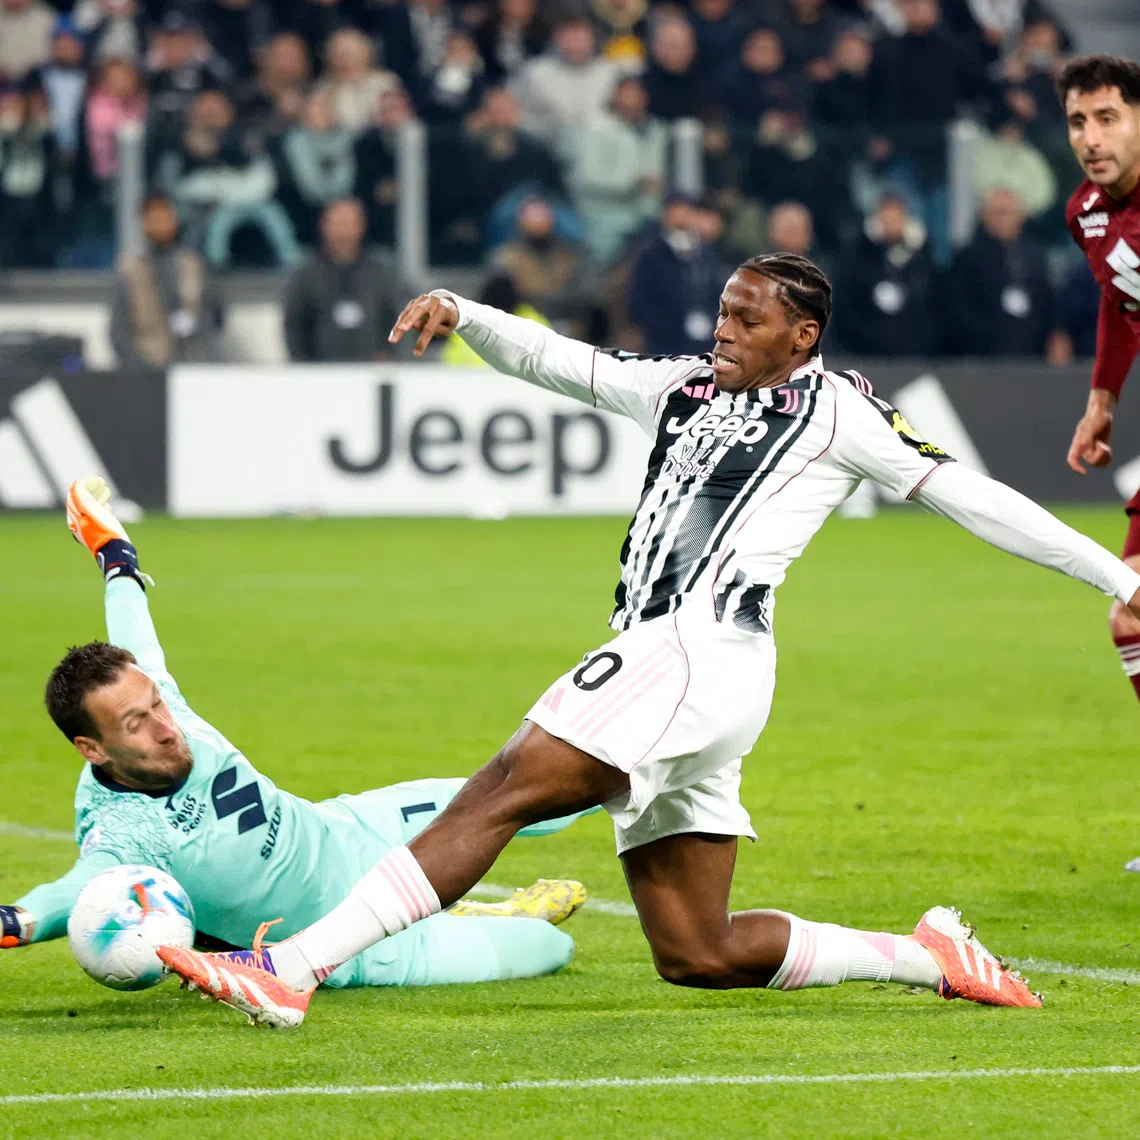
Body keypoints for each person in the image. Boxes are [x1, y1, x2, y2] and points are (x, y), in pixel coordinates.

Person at [165, 250, 1140, 1028]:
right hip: (695, 674)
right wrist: (465, 312)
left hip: (692, 651)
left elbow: (971, 497)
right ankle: (932, 956)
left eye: (747, 317)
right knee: (696, 950)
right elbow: (565, 364)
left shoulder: (838, 408)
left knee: (501, 790)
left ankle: (291, 969)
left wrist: (1120, 576)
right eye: (722, 309)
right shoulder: (680, 390)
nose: (722, 328)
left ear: (801, 336)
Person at [0, 477, 590, 994]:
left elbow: (130, 611)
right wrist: (16, 921)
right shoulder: (123, 832)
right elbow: (67, 897)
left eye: (156, 703)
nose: (164, 726)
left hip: (348, 828)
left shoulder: (155, 698)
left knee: (544, 790)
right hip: (350, 946)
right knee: (547, 948)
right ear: (92, 749)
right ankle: (476, 915)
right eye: (136, 723)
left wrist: (112, 551)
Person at [1058, 58, 1140, 734]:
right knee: (1130, 614)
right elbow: (1119, 302)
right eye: (1079, 122)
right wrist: (1102, 400)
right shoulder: (1085, 211)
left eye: (1108, 119)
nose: (1090, 138)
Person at [108, 194, 224, 369]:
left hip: (193, 367)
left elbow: (215, 318)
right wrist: (140, 369)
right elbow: (118, 332)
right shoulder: (131, 271)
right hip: (147, 372)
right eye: (153, 218)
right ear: (143, 223)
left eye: (164, 217)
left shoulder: (193, 266)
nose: (159, 224)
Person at [282, 198, 405, 363]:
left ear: (362, 226)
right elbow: (295, 326)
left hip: (374, 373)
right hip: (320, 374)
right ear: (323, 226)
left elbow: (399, 315)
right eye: (338, 223)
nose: (343, 231)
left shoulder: (382, 273)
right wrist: (305, 366)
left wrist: (389, 354)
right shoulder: (305, 276)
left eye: (349, 223)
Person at [566, 75, 667, 264]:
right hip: (603, 216)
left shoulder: (656, 130)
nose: (630, 101)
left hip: (648, 215)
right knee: (603, 265)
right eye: (625, 95)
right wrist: (633, 182)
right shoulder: (594, 129)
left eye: (636, 95)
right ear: (614, 97)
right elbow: (586, 178)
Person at [941, 186, 1053, 356]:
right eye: (997, 212)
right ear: (984, 216)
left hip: (1031, 353)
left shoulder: (1035, 255)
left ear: (1020, 216)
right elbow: (959, 309)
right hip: (985, 356)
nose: (1003, 219)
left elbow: (1047, 300)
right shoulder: (968, 257)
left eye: (1008, 212)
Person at [832, 191, 937, 356]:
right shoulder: (857, 255)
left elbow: (934, 304)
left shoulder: (923, 257)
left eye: (896, 218)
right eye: (886, 219)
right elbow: (847, 306)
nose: (891, 225)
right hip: (866, 354)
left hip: (916, 355)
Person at [627, 193, 724, 355]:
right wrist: (678, 325)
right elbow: (639, 305)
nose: (681, 220)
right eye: (675, 213)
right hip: (665, 347)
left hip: (706, 345)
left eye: (686, 213)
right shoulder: (650, 256)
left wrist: (711, 321)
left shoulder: (706, 254)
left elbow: (717, 293)